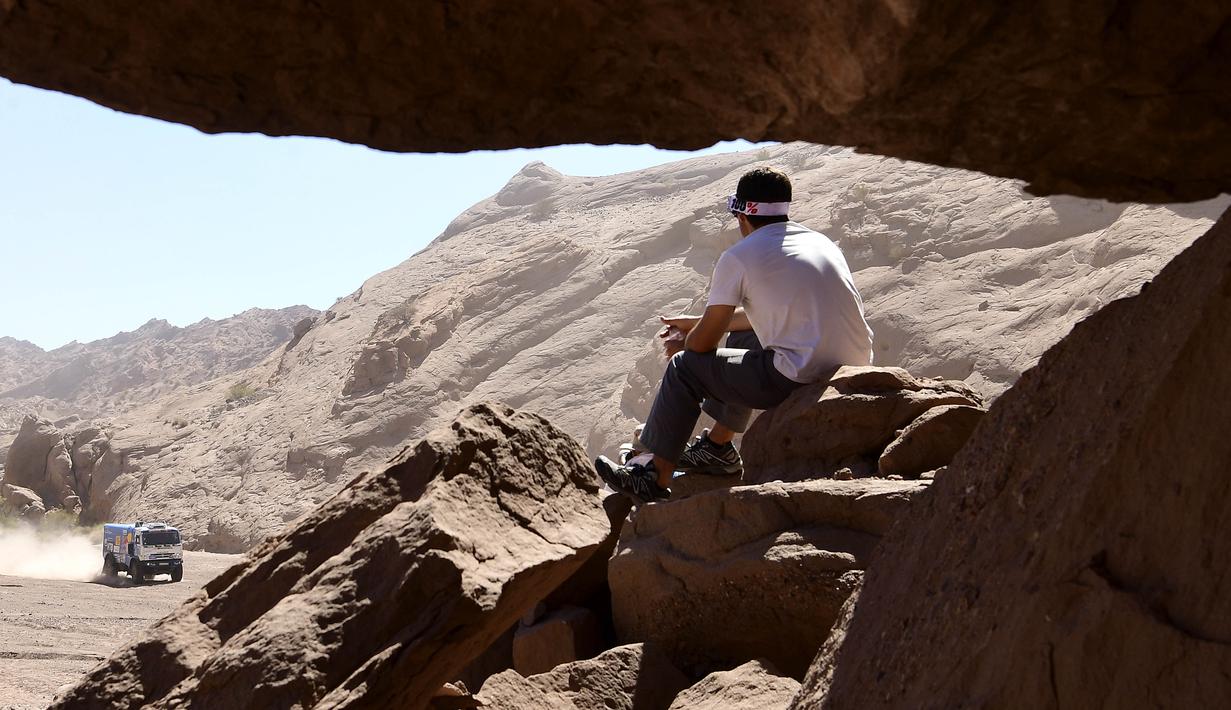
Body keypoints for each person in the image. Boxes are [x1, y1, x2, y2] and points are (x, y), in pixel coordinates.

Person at [596, 166, 874, 503]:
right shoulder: (820, 241)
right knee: (747, 337)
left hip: (799, 375)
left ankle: (653, 475)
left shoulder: (739, 256)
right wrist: (696, 321)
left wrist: (689, 340)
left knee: (685, 367)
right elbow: (764, 317)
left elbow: (702, 344)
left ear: (741, 215)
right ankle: (717, 447)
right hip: (855, 365)